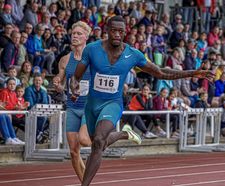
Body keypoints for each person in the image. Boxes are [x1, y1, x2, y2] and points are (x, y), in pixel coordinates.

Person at [71, 16, 214, 185]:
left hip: (113, 104)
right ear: (107, 31)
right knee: (98, 143)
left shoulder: (133, 54)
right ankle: (125, 133)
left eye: (121, 31)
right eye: (114, 30)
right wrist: (74, 87)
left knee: (99, 141)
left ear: (125, 32)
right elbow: (76, 76)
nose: (117, 34)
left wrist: (191, 73)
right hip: (92, 104)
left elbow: (160, 72)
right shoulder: (92, 49)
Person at [53, 21, 92, 183]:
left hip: (89, 107)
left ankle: (109, 136)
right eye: (73, 33)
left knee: (84, 140)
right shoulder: (65, 60)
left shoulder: (93, 58)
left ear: (86, 37)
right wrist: (57, 83)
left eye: (78, 34)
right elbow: (60, 83)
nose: (75, 36)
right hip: (72, 107)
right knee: (74, 152)